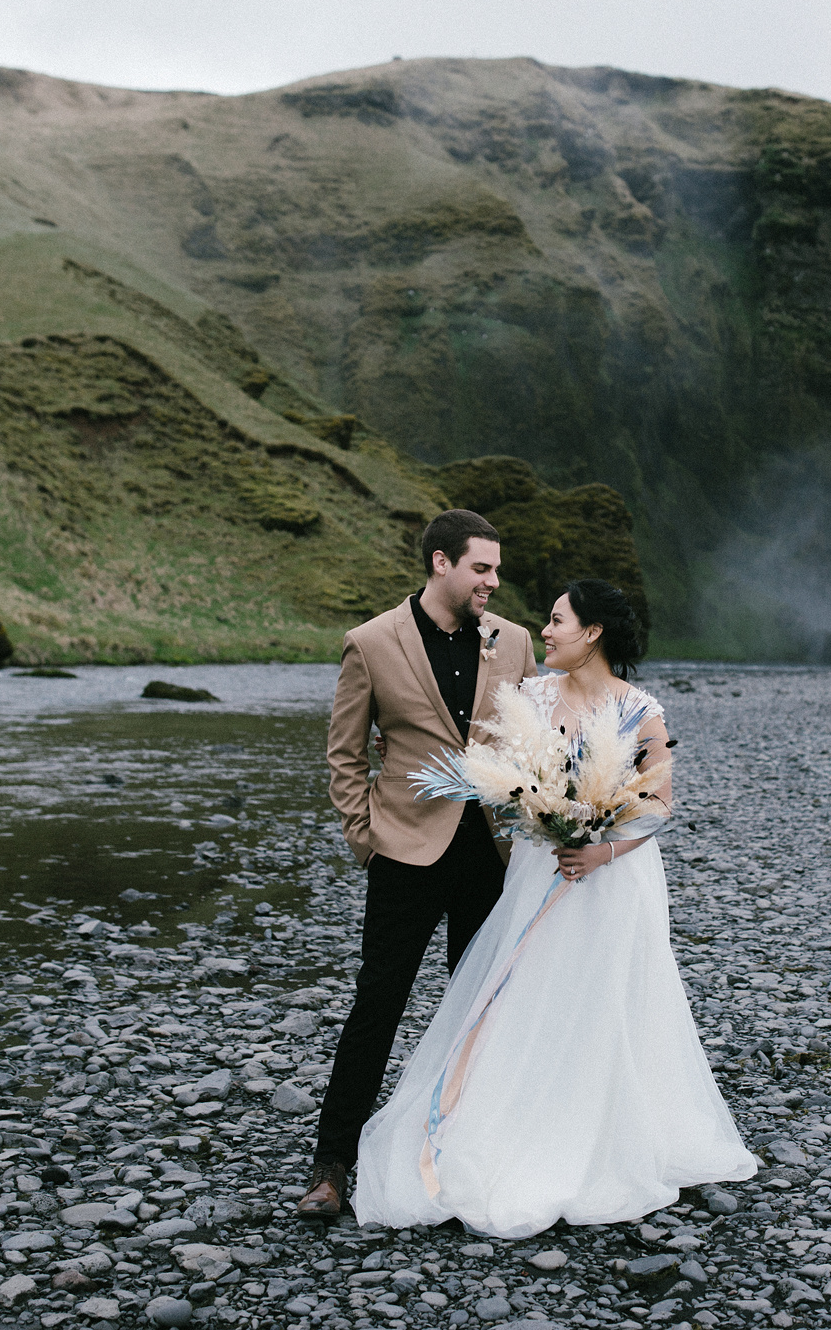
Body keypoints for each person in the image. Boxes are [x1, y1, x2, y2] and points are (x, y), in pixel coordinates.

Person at [350, 578, 757, 1238]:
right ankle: (510, 1119)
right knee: (526, 990)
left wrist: (600, 850)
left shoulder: (638, 710)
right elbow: (491, 769)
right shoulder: (534, 697)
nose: (544, 631)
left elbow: (658, 804)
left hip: (611, 876)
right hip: (540, 869)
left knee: (604, 995)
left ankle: (604, 1128)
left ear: (592, 632)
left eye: (557, 621)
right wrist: (402, 751)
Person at [295, 509, 539, 1218]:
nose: (493, 582)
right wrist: (364, 835)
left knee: (482, 1008)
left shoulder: (515, 642)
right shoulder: (371, 642)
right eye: (481, 568)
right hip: (404, 851)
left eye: (496, 569)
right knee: (378, 1004)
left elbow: (537, 742)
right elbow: (345, 753)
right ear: (441, 563)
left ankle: (471, 1157)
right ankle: (332, 1165)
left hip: (492, 852)